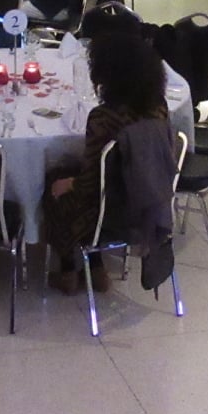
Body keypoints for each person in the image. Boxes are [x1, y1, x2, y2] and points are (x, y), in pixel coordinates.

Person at [41, 30, 169, 295]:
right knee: (71, 174)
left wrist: (67, 183)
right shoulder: (159, 107)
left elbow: (89, 183)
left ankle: (68, 271)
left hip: (111, 210)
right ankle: (97, 268)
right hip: (147, 200)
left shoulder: (103, 118)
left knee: (55, 179)